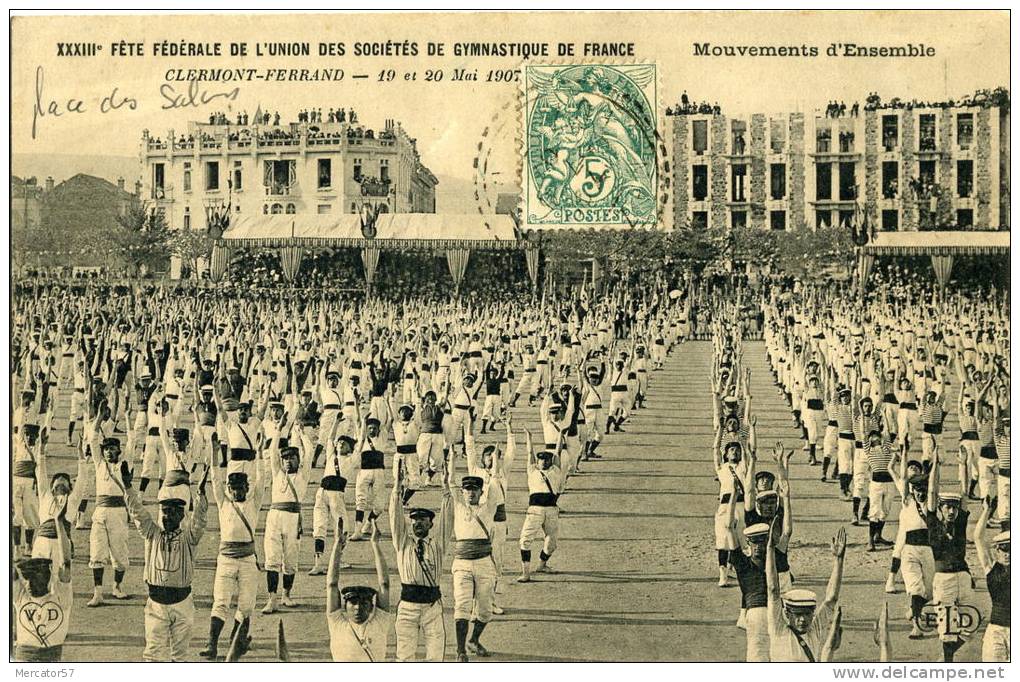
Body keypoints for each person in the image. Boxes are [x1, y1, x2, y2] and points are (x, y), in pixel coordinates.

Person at [123, 461, 209, 662]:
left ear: (181, 515)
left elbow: (200, 519)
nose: (167, 517)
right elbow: (138, 513)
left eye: (172, 512)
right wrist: (128, 487)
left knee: (179, 657)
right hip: (156, 606)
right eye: (164, 512)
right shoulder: (152, 533)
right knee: (153, 656)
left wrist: (201, 493)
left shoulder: (189, 537)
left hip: (182, 605)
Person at [389, 453, 452, 661]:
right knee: (404, 657)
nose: (417, 523)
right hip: (407, 607)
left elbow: (448, 517)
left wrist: (446, 487)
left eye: (423, 520)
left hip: (433, 607)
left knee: (435, 657)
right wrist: (397, 489)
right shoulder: (402, 543)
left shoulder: (438, 544)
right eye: (414, 520)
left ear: (430, 524)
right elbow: (395, 516)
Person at [200, 467, 264, 660]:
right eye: (233, 488)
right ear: (228, 489)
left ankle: (235, 642)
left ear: (247, 488)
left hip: (247, 561)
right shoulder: (223, 503)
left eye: (240, 488)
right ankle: (212, 644)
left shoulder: (254, 503)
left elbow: (262, 478)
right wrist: (213, 450)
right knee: (220, 602)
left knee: (246, 605)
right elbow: (215, 477)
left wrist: (260, 453)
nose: (237, 492)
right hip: (226, 560)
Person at [766, 525, 846, 661]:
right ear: (787, 614)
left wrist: (839, 560)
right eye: (797, 615)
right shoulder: (778, 628)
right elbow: (773, 590)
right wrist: (770, 549)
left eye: (807, 614)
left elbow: (831, 599)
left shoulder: (814, 630)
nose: (802, 619)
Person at [446, 455, 500, 661]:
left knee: (485, 610)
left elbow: (494, 481)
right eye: (467, 490)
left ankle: (473, 640)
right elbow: (450, 481)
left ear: (480, 492)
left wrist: (494, 462)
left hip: (485, 562)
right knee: (462, 606)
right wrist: (450, 454)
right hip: (462, 563)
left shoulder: (489, 508)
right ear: (463, 492)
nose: (470, 493)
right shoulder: (458, 507)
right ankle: (460, 650)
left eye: (474, 490)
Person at [262, 417, 314, 613]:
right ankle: (272, 599)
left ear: (298, 461)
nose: (288, 461)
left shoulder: (303, 475)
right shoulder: (277, 473)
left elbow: (309, 452)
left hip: (293, 519)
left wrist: (301, 434)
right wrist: (280, 430)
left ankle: (286, 595)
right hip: (275, 516)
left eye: (292, 458)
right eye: (286, 458)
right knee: (272, 558)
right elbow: (273, 451)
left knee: (291, 559)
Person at [325, 518, 393, 661]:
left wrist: (375, 544)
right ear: (345, 605)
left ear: (371, 607)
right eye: (353, 602)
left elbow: (384, 584)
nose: (358, 607)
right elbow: (331, 584)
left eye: (363, 603)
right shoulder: (337, 623)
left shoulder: (379, 622)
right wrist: (337, 545)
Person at [13, 511, 72, 661]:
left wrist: (59, 523)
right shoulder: (21, 597)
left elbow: (66, 562)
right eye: (27, 579)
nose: (28, 584)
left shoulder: (61, 598)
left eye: (34, 579)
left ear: (47, 580)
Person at [518, 429, 565, 582]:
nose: (544, 462)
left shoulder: (556, 470)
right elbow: (529, 452)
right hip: (535, 510)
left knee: (552, 543)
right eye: (541, 460)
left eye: (547, 459)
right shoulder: (532, 471)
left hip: (552, 510)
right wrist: (529, 437)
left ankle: (542, 564)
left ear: (551, 461)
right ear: (537, 462)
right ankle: (526, 573)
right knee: (525, 540)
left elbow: (558, 451)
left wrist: (560, 435)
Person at [973, 498, 1009, 662]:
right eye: (1004, 549)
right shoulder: (991, 568)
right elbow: (978, 538)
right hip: (995, 629)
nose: (1008, 554)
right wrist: (987, 511)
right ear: (997, 550)